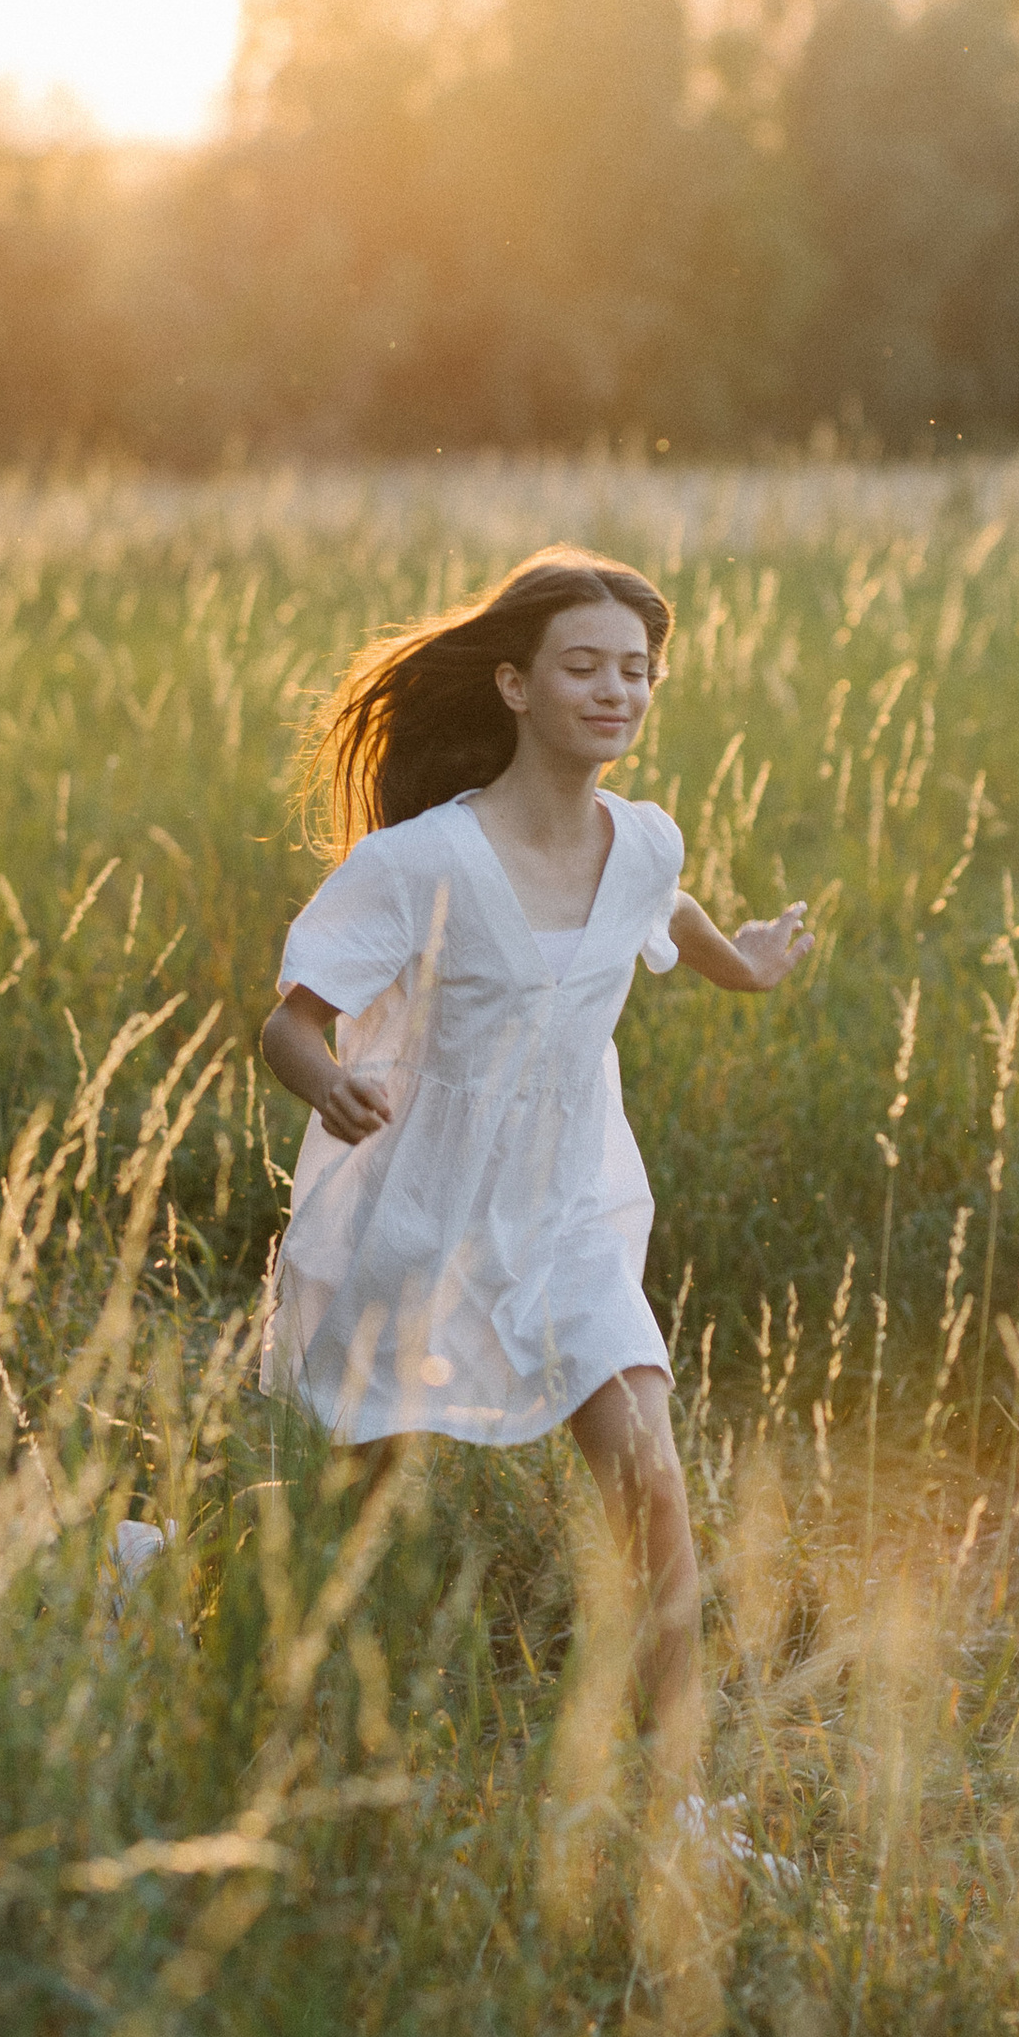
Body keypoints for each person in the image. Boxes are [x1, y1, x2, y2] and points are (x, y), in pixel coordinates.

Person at [256, 547, 812, 1788]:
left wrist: (752, 965)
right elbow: (288, 1022)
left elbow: (668, 921)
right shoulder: (421, 864)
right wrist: (327, 1079)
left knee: (652, 1483)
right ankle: (213, 1631)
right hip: (417, 1211)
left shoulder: (647, 843)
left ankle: (678, 1796)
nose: (616, 691)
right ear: (513, 685)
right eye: (584, 667)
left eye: (637, 671)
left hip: (569, 1212)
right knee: (345, 1518)